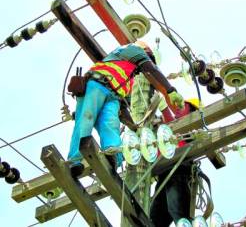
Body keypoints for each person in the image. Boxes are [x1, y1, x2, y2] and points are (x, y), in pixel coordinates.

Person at [67, 41, 185, 177]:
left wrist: (135, 128)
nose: (145, 66)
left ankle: (113, 155)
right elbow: (150, 68)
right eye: (148, 58)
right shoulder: (131, 49)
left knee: (110, 124)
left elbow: (122, 111)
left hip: (113, 98)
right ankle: (75, 160)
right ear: (145, 51)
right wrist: (170, 90)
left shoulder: (129, 79)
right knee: (86, 118)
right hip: (96, 84)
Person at [150, 98, 200, 226]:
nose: (177, 109)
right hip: (164, 176)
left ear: (192, 112)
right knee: (153, 221)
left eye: (182, 107)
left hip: (179, 172)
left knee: (180, 215)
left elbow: (173, 125)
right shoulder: (163, 131)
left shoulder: (190, 128)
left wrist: (163, 108)